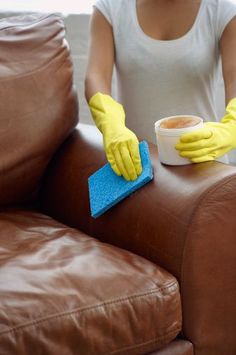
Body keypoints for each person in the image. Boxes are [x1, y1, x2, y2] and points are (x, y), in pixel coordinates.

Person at [85, 0, 236, 180]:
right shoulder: (110, 8)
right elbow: (96, 76)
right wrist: (110, 123)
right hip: (135, 168)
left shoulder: (221, 11)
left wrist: (231, 128)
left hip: (205, 163)